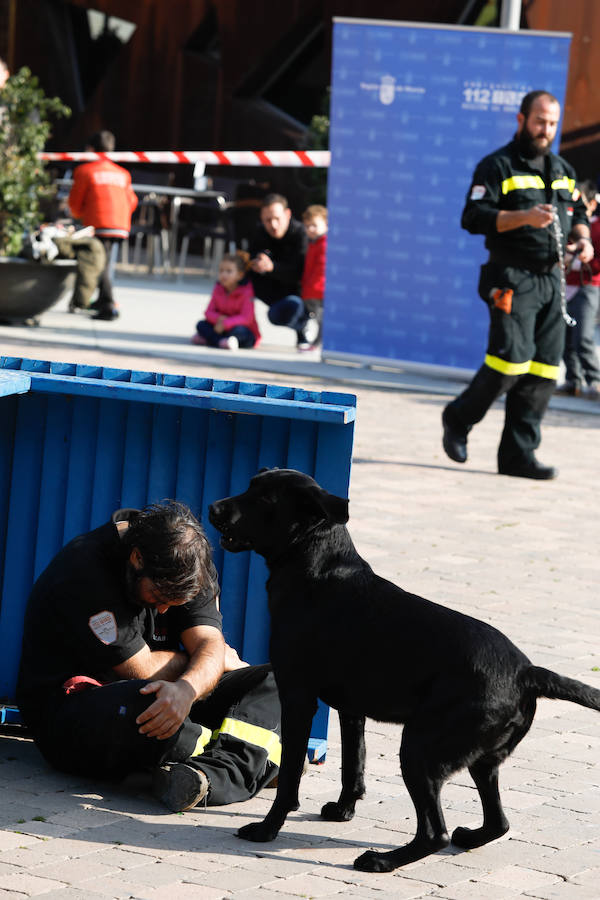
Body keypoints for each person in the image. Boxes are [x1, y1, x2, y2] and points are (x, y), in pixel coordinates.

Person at [16, 501, 281, 812]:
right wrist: (202, 666)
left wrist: (188, 687)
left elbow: (209, 641)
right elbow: (140, 669)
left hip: (165, 695)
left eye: (175, 601)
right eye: (158, 597)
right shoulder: (83, 573)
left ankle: (213, 772)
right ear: (136, 558)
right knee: (148, 701)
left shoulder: (191, 564)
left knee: (274, 678)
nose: (164, 609)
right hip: (74, 715)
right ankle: (259, 761)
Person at [442, 90, 593, 480]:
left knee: (543, 368)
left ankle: (517, 456)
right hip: (510, 275)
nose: (546, 130)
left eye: (552, 123)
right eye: (540, 121)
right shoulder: (497, 166)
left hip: (553, 278)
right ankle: (458, 418)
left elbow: (576, 210)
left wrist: (583, 239)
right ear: (521, 119)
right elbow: (473, 217)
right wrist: (523, 217)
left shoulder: (562, 168)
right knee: (510, 358)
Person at [68, 130, 138, 321]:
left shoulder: (84, 171)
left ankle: (107, 305)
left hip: (98, 223)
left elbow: (74, 203)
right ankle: (101, 301)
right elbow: (132, 200)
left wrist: (80, 217)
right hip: (120, 224)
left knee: (99, 265)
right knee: (104, 262)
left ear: (90, 149)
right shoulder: (122, 173)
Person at [249, 194, 319, 347]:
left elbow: (299, 273)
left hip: (300, 293)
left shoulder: (302, 234)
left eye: (277, 219)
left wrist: (271, 267)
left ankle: (305, 325)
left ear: (287, 214)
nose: (273, 225)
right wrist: (257, 260)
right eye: (267, 220)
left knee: (282, 311)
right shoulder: (260, 233)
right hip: (275, 291)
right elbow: (251, 257)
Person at [556, 179, 600, 399]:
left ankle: (595, 380)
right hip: (565, 285)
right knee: (565, 337)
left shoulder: (598, 226)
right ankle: (572, 379)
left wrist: (579, 255)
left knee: (582, 336)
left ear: (592, 203)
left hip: (588, 286)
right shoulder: (568, 222)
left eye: (582, 201)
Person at [192, 251, 260, 350]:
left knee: (240, 331)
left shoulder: (247, 291)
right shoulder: (218, 288)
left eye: (229, 271)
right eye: (221, 271)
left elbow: (246, 318)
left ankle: (213, 340)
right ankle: (220, 341)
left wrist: (226, 323)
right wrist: (219, 319)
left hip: (240, 329)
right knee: (201, 325)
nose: (224, 274)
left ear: (240, 275)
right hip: (220, 327)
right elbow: (208, 312)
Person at [299, 204, 328, 351]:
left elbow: (322, 270)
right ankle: (315, 342)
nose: (310, 229)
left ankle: (317, 343)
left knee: (321, 319)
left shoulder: (324, 244)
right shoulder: (313, 243)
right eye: (307, 226)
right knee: (317, 318)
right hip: (312, 289)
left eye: (314, 225)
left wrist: (312, 287)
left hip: (319, 291)